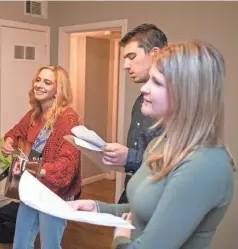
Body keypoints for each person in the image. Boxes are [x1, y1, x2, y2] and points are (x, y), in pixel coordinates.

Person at [68, 40, 235, 249]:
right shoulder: (159, 144)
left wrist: (120, 238)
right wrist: (100, 208)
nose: (144, 89)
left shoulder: (203, 166)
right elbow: (143, 211)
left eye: (156, 83)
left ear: (186, 95)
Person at [1, 65, 81, 249]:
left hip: (55, 192)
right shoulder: (34, 114)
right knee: (20, 243)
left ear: (58, 90)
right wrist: (9, 141)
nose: (39, 85)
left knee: (49, 245)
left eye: (47, 82)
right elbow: (15, 132)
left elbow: (68, 164)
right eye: (38, 80)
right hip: (32, 186)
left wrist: (37, 169)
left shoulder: (68, 118)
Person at [103, 24, 168, 204]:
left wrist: (129, 157)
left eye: (131, 57)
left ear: (155, 54)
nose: (125, 65)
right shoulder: (140, 101)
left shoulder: (176, 104)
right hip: (132, 193)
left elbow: (174, 163)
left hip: (156, 200)